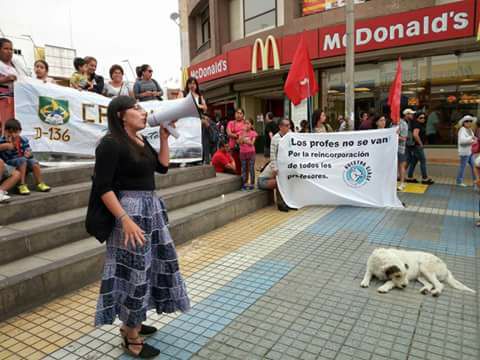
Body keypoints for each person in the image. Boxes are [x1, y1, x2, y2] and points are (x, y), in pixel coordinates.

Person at [93, 96, 190, 358]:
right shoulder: (110, 144)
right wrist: (125, 220)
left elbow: (162, 167)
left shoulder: (139, 140)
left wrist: (165, 138)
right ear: (120, 115)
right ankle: (131, 334)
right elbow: (103, 187)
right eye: (136, 108)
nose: (143, 112)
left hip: (150, 211)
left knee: (152, 266)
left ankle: (131, 322)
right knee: (134, 271)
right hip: (129, 214)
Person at [0, 118, 51, 195]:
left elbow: (28, 150)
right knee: (22, 160)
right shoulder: (2, 140)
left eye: (15, 132)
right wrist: (6, 145)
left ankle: (40, 183)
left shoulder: (23, 140)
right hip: (10, 161)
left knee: (34, 162)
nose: (13, 135)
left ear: (20, 131)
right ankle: (22, 184)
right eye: (10, 132)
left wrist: (29, 154)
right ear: (5, 131)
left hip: (23, 160)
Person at [406, 111, 434, 185]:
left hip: (414, 146)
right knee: (423, 161)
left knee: (414, 161)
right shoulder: (417, 125)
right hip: (417, 146)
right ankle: (425, 178)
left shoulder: (415, 124)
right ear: (416, 118)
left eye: (424, 117)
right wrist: (421, 143)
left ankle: (409, 177)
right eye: (421, 118)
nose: (423, 119)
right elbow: (415, 135)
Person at [270, 118, 292, 212]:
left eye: (289, 125)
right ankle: (280, 203)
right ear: (280, 127)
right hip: (280, 165)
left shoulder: (291, 136)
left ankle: (289, 202)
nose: (288, 127)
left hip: (288, 165)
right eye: (286, 125)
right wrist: (274, 167)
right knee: (280, 185)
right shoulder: (275, 138)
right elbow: (272, 153)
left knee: (289, 184)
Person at [456, 115, 477, 187]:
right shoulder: (462, 129)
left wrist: (474, 140)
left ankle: (476, 181)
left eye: (470, 121)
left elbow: (472, 140)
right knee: (463, 167)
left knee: (474, 166)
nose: (469, 122)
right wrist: (471, 139)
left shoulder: (470, 130)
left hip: (470, 151)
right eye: (467, 121)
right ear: (463, 123)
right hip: (465, 152)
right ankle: (459, 181)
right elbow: (462, 141)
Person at [239, 118, 257, 190]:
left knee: (251, 168)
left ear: (251, 125)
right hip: (242, 153)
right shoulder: (241, 133)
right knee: (243, 168)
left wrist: (244, 141)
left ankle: (252, 183)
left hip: (251, 153)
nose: (246, 125)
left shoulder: (253, 133)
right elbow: (239, 142)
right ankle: (244, 183)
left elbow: (252, 143)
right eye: (245, 123)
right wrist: (243, 134)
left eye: (248, 123)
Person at [226, 108, 245, 175]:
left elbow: (246, 134)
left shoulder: (245, 123)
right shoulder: (231, 123)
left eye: (240, 113)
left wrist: (234, 134)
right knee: (234, 165)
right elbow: (229, 133)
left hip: (243, 148)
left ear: (243, 115)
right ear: (234, 114)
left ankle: (244, 182)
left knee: (244, 166)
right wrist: (238, 135)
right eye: (237, 113)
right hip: (232, 148)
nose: (238, 115)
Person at [396, 114, 409, 191]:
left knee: (401, 166)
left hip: (401, 149)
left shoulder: (403, 123)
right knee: (396, 166)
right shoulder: (392, 123)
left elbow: (404, 138)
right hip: (393, 149)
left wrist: (394, 136)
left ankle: (402, 183)